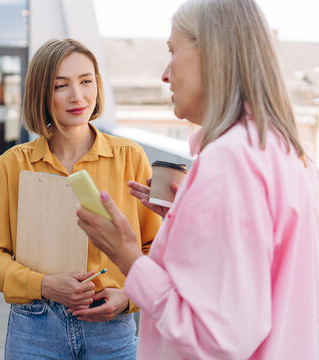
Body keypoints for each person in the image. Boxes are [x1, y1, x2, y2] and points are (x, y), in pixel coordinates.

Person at [76, 0, 319, 359]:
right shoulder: (289, 152)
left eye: (173, 51)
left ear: (213, 53)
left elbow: (214, 337)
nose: (164, 74)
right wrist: (181, 222)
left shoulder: (229, 162)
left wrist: (128, 256)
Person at [0, 38, 161, 359]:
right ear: (42, 94)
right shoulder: (14, 164)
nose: (77, 96)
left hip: (111, 328)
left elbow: (155, 250)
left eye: (86, 81)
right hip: (35, 327)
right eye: (61, 85)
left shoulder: (131, 158)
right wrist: (43, 285)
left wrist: (130, 297)